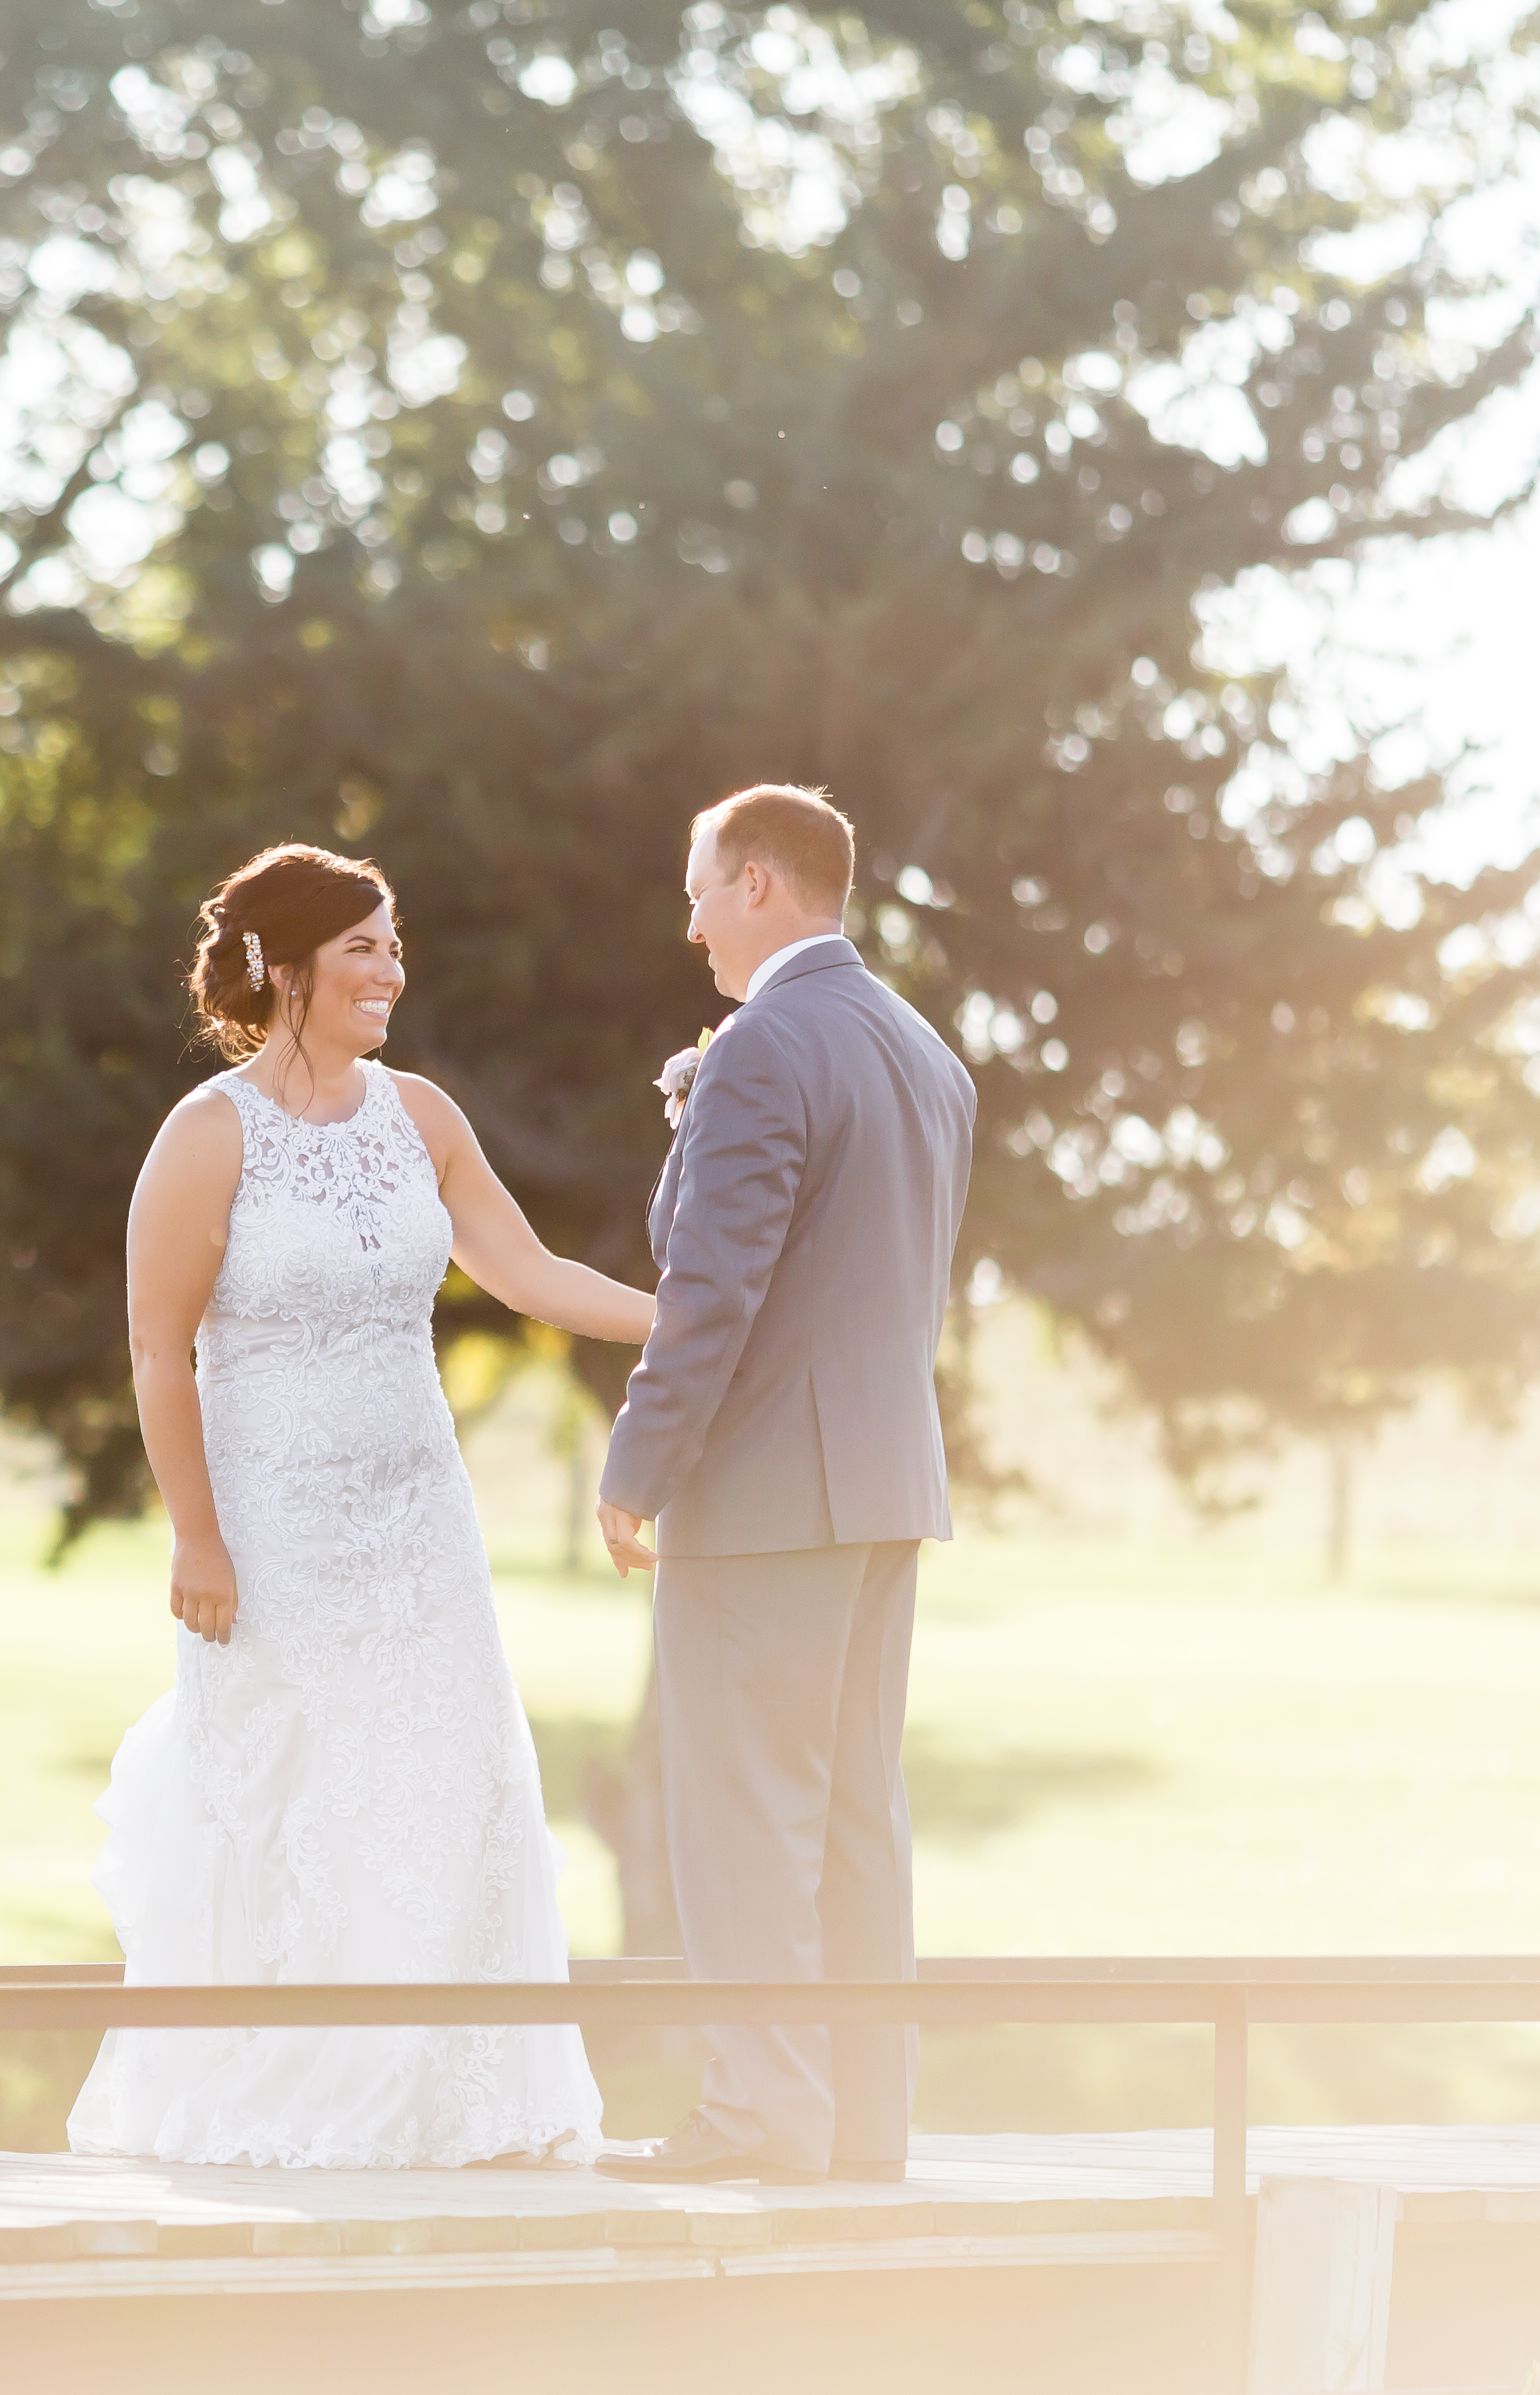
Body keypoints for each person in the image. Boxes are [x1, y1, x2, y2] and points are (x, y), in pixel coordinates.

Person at [65, 843, 657, 2169]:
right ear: (287, 968)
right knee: (307, 1794)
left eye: (394, 946)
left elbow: (529, 1271)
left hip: (418, 1523)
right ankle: (301, 2098)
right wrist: (198, 1533)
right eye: (363, 949)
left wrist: (687, 1322)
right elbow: (160, 1348)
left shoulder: (423, 1116)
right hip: (272, 1530)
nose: (391, 970)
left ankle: (462, 2103)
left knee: (450, 1784)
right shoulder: (205, 1135)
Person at [590, 784, 977, 2188]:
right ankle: (864, 2125)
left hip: (765, 1497)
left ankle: (760, 2118)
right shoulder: (927, 1053)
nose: (686, 917)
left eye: (697, 886)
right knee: (857, 1818)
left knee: (743, 1810)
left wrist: (635, 1466)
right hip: (884, 1490)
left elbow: (714, 1292)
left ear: (757, 882)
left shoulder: (764, 1044)